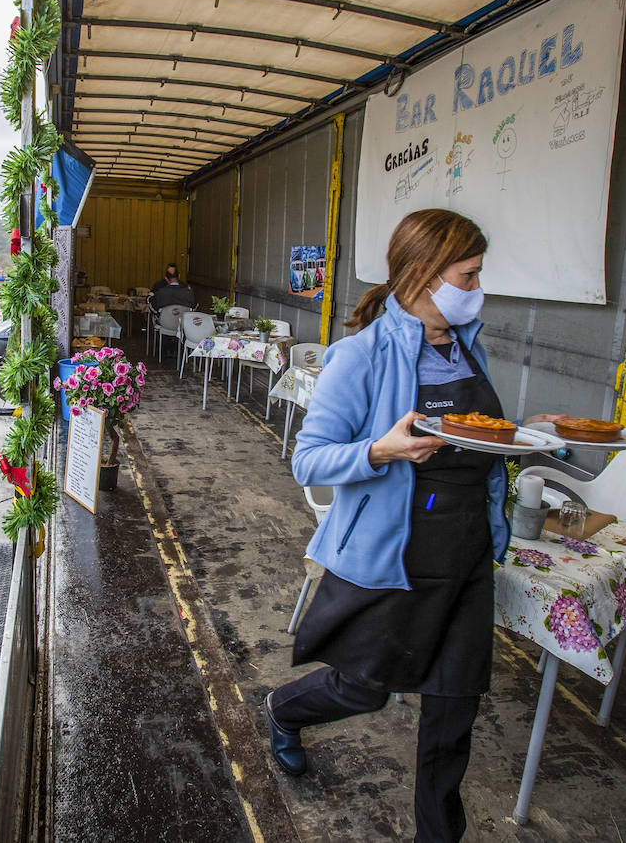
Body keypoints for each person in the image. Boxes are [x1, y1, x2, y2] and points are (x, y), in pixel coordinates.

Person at [265, 208, 564, 843]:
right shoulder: (362, 355)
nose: (478, 287)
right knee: (364, 690)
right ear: (425, 274)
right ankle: (284, 710)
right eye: (470, 273)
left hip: (466, 546)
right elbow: (308, 459)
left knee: (454, 710)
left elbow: (475, 440)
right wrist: (382, 450)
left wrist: (520, 437)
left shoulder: (464, 345)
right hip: (396, 551)